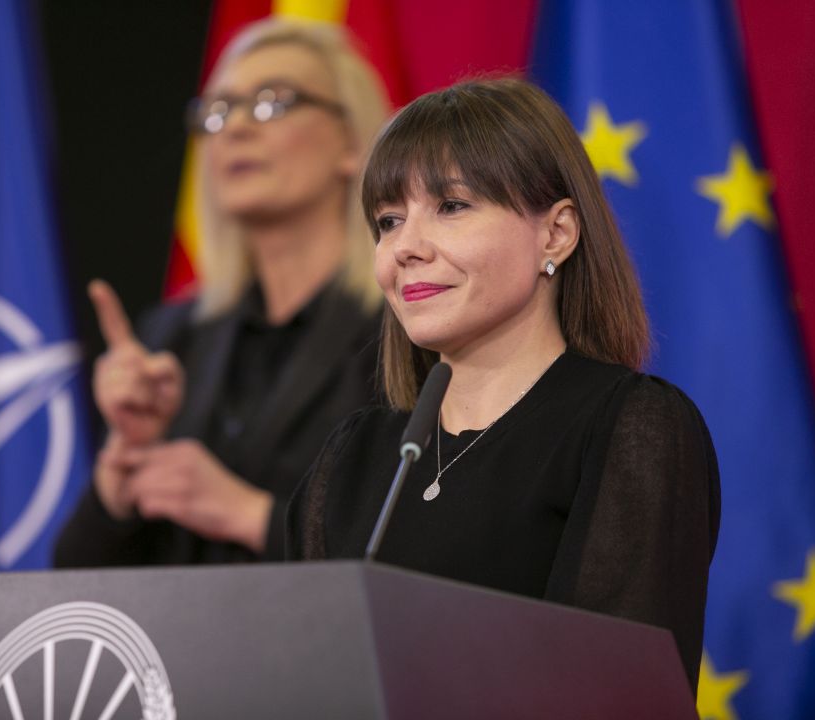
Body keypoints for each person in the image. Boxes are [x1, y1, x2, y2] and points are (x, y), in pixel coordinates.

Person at [286, 77, 720, 694]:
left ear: (556, 233)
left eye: (452, 206)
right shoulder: (352, 457)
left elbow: (613, 695)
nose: (404, 248)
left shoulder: (630, 428)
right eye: (388, 220)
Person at [54, 18, 391, 567]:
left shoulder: (404, 329)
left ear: (352, 143)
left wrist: (248, 514)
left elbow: (427, 554)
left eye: (272, 103)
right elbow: (75, 580)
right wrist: (125, 461)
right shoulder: (173, 336)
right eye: (218, 111)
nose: (235, 127)